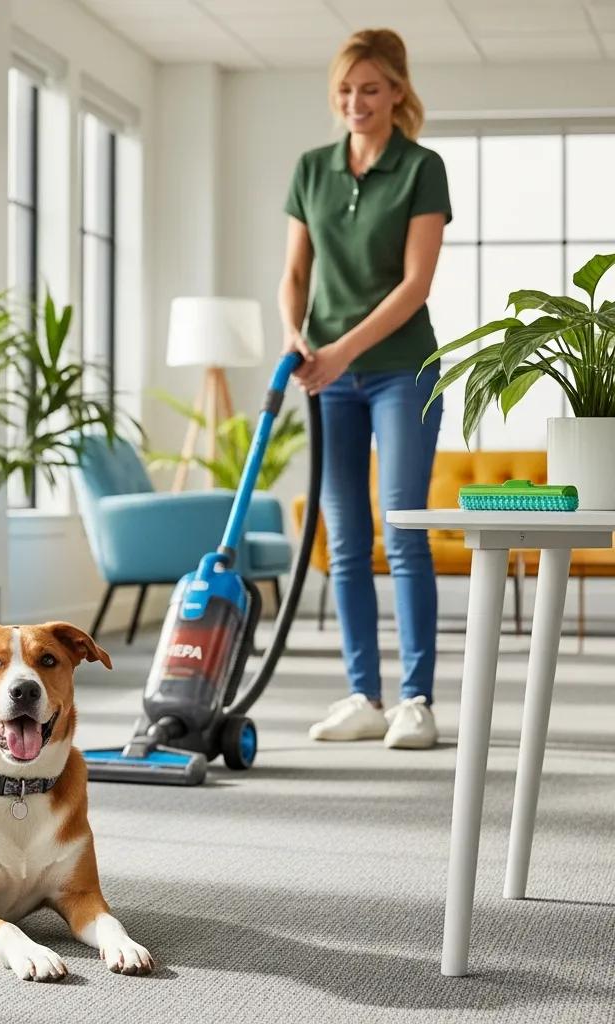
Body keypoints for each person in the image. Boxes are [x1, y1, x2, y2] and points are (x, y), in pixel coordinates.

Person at [278, 28, 450, 749]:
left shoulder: (421, 168)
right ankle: (362, 696)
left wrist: (345, 349)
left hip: (400, 369)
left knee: (403, 529)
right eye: (346, 89)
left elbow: (416, 285)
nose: (356, 101)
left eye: (371, 88)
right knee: (346, 540)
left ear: (398, 92)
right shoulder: (312, 169)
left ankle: (416, 700)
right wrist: (296, 336)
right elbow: (295, 273)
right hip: (328, 376)